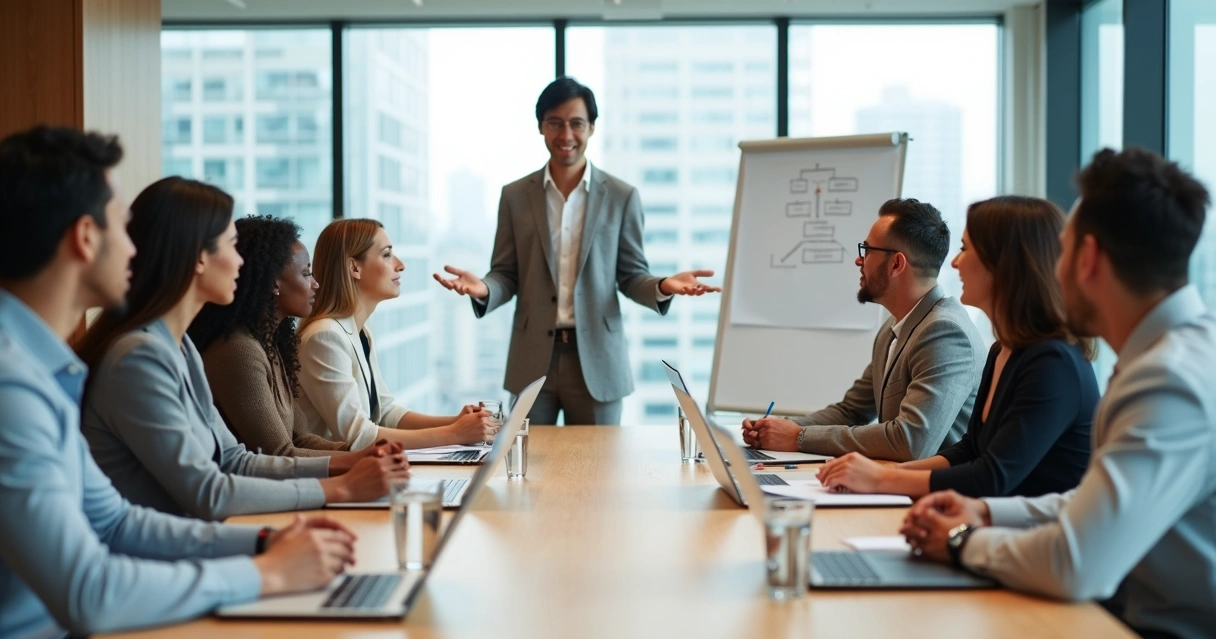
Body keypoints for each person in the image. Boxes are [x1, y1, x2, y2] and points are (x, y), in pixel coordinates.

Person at [0, 125, 356, 639]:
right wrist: (265, 571)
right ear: (84, 237)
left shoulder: (45, 370)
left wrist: (262, 543)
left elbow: (117, 522)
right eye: (121, 227)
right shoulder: (16, 388)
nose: (133, 248)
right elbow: (88, 593)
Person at [902, 148, 1216, 639]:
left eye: (1064, 250)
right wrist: (984, 512)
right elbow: (1092, 504)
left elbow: (1076, 562)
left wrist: (963, 541)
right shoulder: (1169, 357)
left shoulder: (1169, 381)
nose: (1054, 266)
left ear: (1088, 259)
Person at [75, 177, 409, 521]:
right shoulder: (141, 358)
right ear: (198, 258)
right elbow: (208, 492)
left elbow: (235, 460)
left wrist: (353, 461)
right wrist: (341, 486)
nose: (241, 262)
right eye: (231, 246)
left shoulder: (183, 348)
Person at [433, 76, 721, 426]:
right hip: (531, 359)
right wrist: (484, 288)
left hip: (598, 360)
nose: (566, 135)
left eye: (576, 124)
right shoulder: (514, 196)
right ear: (541, 126)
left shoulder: (621, 196)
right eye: (555, 123)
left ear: (592, 128)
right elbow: (506, 273)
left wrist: (662, 286)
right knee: (526, 468)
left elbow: (631, 276)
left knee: (598, 472)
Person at [816, 196, 1097, 498]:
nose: (954, 261)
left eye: (965, 248)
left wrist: (880, 480)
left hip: (1036, 537)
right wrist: (883, 473)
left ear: (1003, 263)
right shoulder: (1003, 349)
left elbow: (991, 475)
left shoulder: (1052, 362)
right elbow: (970, 449)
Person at [742, 198, 986, 461]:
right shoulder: (894, 327)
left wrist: (797, 438)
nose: (859, 260)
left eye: (867, 250)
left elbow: (911, 441)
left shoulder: (945, 332)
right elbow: (851, 411)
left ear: (896, 264)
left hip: (933, 497)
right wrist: (779, 428)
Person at [298, 218, 492, 450]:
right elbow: (357, 435)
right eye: (387, 255)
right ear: (354, 268)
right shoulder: (324, 337)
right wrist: (455, 434)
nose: (400, 265)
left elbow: (387, 412)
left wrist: (458, 423)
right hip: (334, 478)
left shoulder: (359, 333)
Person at [189, 215, 362, 457]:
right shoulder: (239, 351)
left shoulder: (270, 343)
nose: (316, 284)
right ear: (274, 283)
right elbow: (280, 453)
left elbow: (300, 437)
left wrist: (365, 453)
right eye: (306, 274)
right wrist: (358, 460)